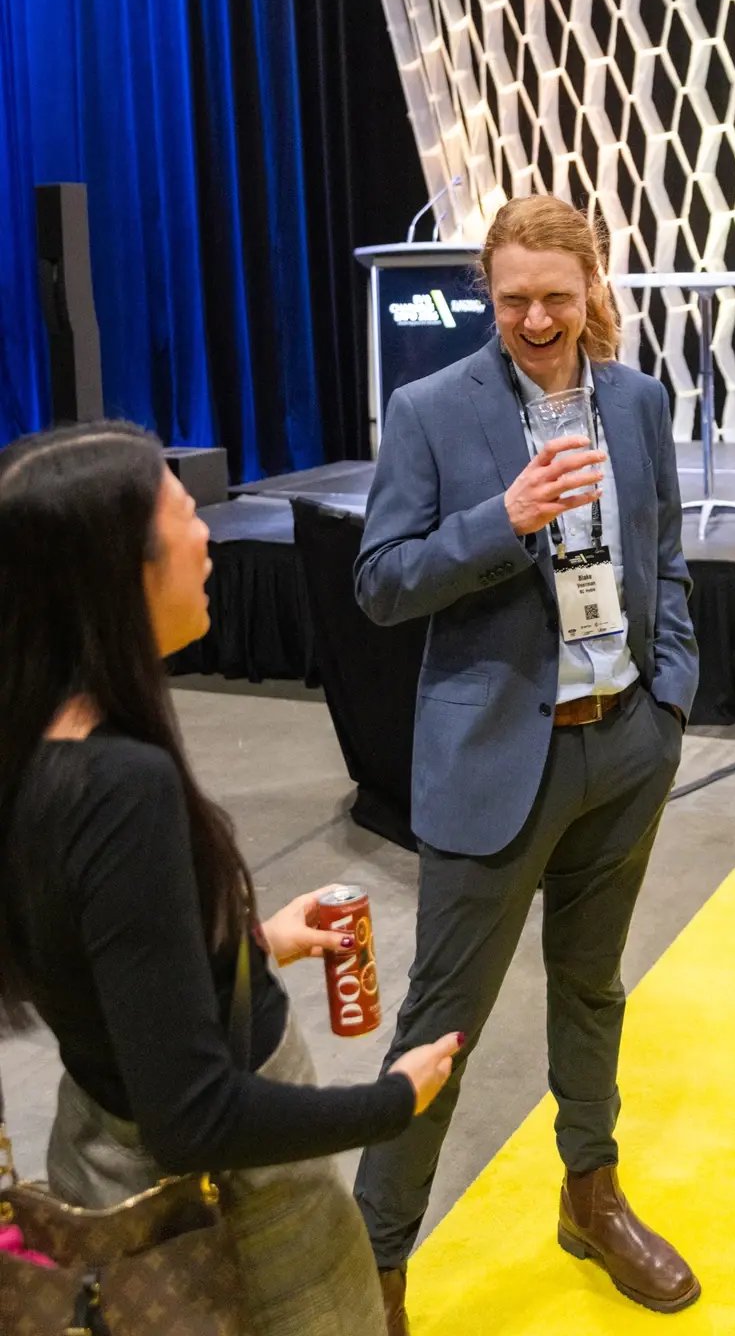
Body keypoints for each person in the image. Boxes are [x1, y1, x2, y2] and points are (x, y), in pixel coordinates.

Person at [0, 422, 462, 1336]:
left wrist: (241, 945)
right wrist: (391, 1100)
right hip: (230, 1219)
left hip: (96, 1145)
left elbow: (97, 968)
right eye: (184, 519)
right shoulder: (122, 788)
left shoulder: (36, 745)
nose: (210, 534)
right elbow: (194, 1116)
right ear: (117, 570)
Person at [353, 194, 700, 1332]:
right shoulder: (430, 409)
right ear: (484, 291)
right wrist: (498, 520)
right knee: (438, 1023)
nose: (536, 318)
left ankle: (588, 1191)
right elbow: (382, 581)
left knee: (593, 986)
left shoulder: (638, 400)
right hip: (494, 759)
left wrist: (667, 701)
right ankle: (374, 1265)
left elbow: (666, 554)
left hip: (622, 746)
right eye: (512, 299)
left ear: (593, 284)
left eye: (557, 295)